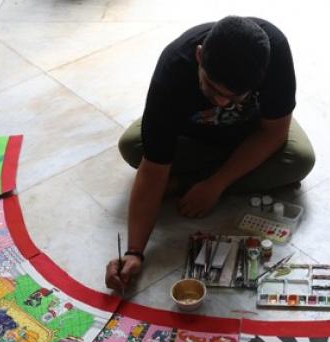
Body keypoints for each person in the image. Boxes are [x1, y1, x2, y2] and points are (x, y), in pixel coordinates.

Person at [105, 16, 315, 291]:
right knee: (133, 146)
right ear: (199, 56)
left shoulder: (274, 52)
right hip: (193, 135)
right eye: (213, 89)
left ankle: (183, 182)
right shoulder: (174, 66)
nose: (222, 102)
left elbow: (274, 132)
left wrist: (216, 184)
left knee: (299, 160)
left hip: (251, 132)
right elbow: (154, 168)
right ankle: (208, 176)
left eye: (235, 97)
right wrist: (134, 252)